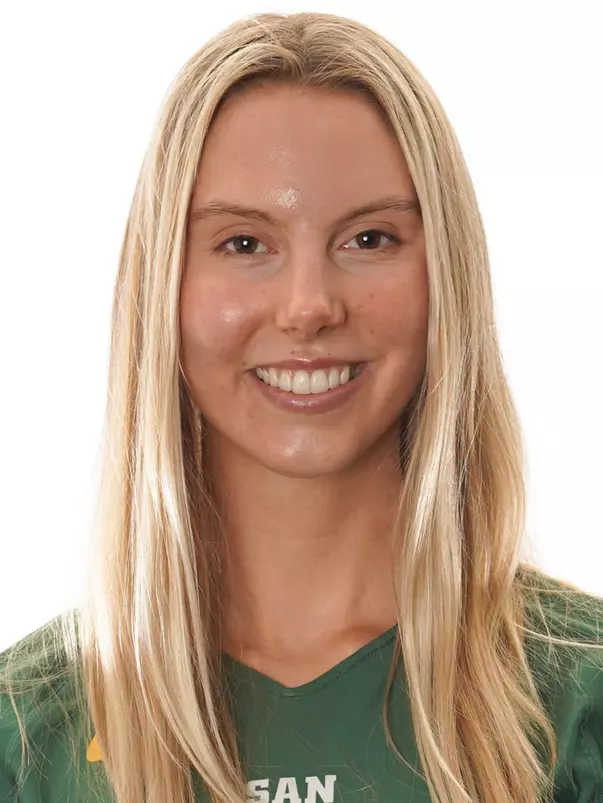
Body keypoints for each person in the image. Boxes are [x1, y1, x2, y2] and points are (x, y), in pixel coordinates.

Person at [1, 11, 603, 803]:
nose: (308, 306)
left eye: (369, 239)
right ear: (163, 290)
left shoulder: (575, 701)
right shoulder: (30, 731)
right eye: (244, 244)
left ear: (445, 278)